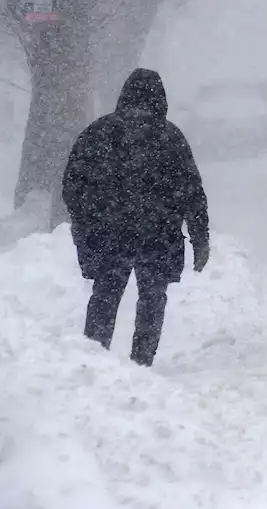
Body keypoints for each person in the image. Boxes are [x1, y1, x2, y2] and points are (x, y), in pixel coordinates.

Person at [62, 68, 210, 367]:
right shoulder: (170, 137)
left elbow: (73, 185)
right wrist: (199, 236)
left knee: (105, 294)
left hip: (109, 234)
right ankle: (142, 360)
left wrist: (88, 221)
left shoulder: (98, 133)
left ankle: (94, 357)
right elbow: (192, 191)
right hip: (158, 235)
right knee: (152, 299)